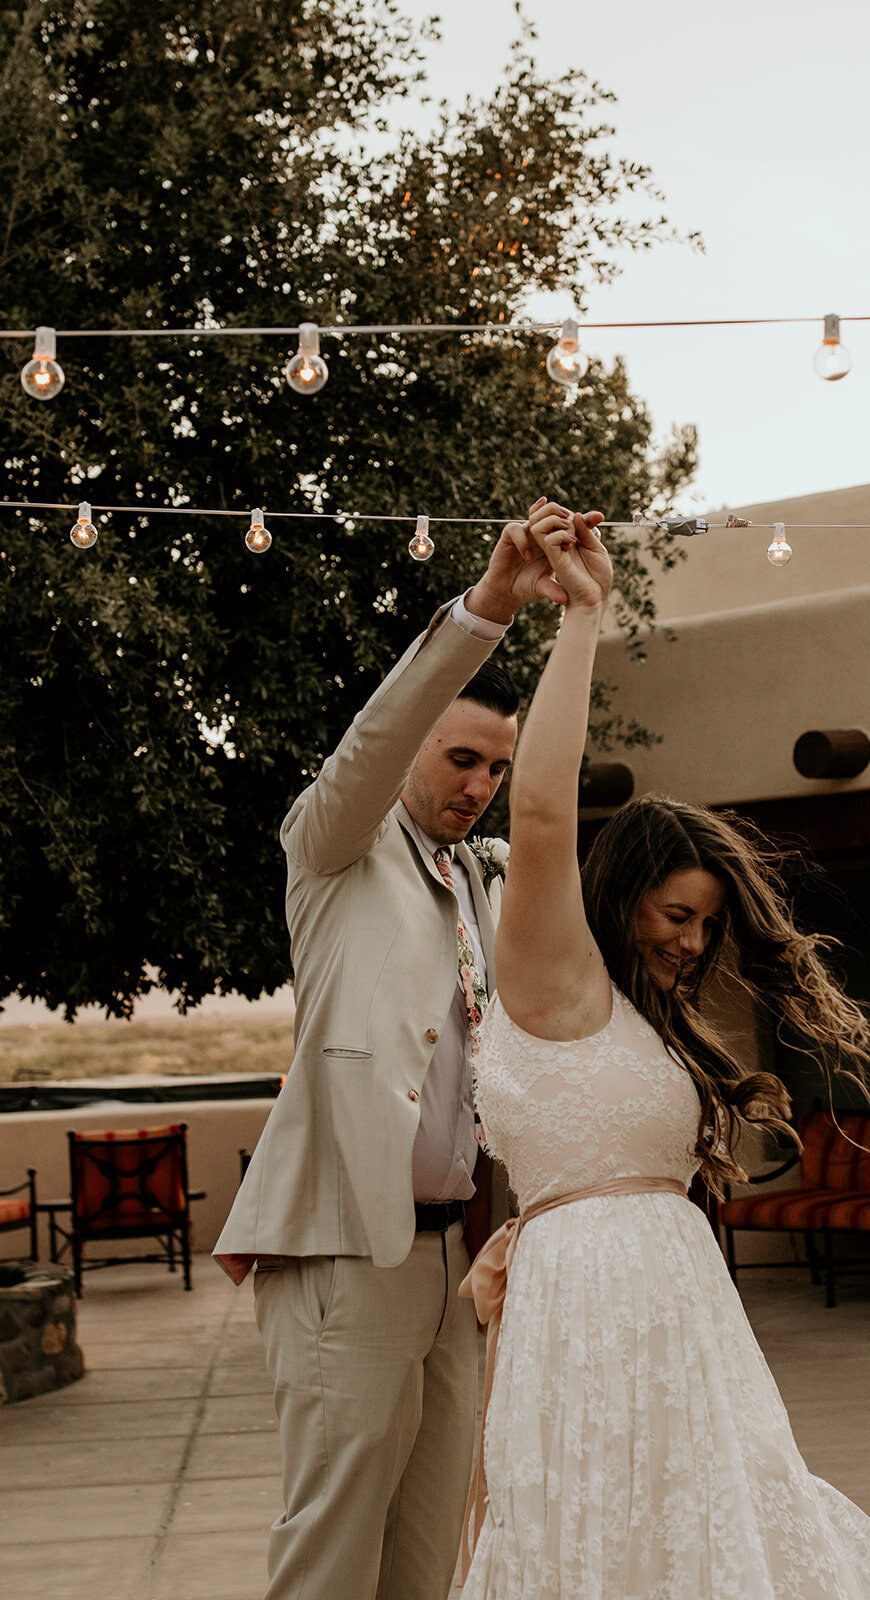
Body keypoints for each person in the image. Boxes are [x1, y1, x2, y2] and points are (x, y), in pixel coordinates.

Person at [458, 501, 870, 1598]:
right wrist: (581, 619)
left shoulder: (644, 1021)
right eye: (676, 913)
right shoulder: (552, 979)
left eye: (709, 921)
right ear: (622, 894)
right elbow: (538, 814)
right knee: (597, 1539)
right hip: (582, 1316)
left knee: (710, 1538)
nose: (694, 938)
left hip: (682, 1322)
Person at [213, 503, 566, 1600]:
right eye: (459, 758)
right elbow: (370, 745)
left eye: (492, 770)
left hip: (456, 1260)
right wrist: (490, 608)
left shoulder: (488, 877)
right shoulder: (333, 849)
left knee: (427, 1560)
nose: (476, 784)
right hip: (342, 1251)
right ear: (412, 740)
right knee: (331, 1556)